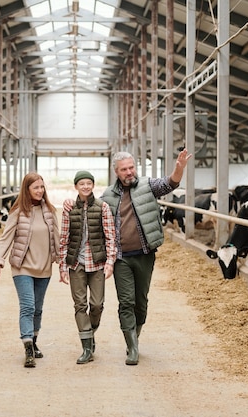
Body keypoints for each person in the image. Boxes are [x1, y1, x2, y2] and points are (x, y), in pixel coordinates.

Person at [65, 148, 191, 365]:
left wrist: (178, 170)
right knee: (126, 302)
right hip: (121, 258)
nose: (129, 172)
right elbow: (90, 207)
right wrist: (71, 202)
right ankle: (132, 347)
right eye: (124, 169)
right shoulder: (108, 196)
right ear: (117, 172)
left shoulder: (148, 186)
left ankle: (135, 336)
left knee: (141, 302)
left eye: (131, 167)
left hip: (145, 254)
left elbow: (170, 183)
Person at [0, 172, 60, 368]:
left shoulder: (50, 211)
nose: (40, 191)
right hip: (22, 267)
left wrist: (63, 263)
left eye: (42, 187)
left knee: (38, 309)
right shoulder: (18, 212)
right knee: (28, 306)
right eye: (36, 187)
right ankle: (28, 347)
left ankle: (35, 341)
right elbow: (6, 238)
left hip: (44, 267)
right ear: (27, 190)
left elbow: (57, 237)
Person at [59, 170, 117, 364]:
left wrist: (110, 263)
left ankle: (90, 332)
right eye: (81, 183)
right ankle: (86, 347)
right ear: (76, 186)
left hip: (97, 262)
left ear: (93, 185)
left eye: (88, 183)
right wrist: (61, 266)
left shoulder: (103, 207)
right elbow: (64, 237)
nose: (85, 186)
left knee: (97, 304)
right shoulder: (69, 208)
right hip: (76, 263)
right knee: (79, 305)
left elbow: (110, 237)